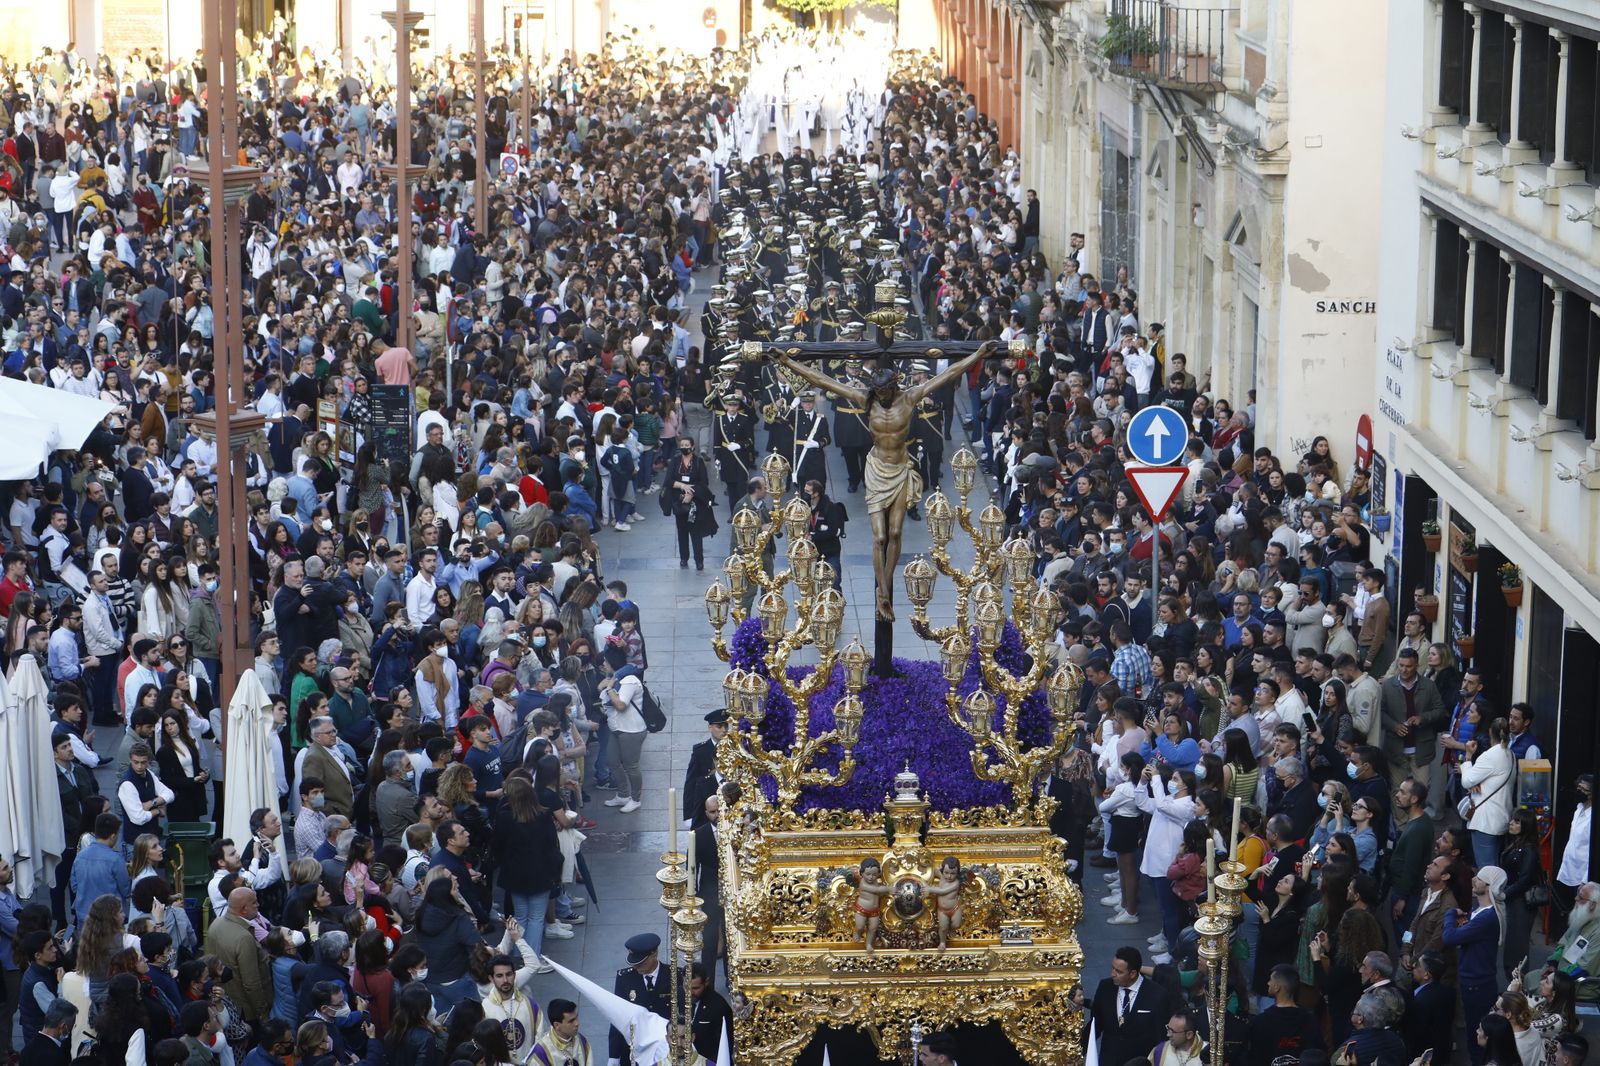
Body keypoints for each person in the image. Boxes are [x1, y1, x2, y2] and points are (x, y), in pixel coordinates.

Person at [1444, 865, 1508, 1066]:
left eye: (1479, 879)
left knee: (1477, 1038)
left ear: (1489, 886)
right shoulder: (1479, 911)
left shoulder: (1487, 917)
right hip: (1475, 980)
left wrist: (1450, 916)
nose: (1473, 880)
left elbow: (1449, 937)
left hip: (1477, 984)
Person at [1078, 946, 1172, 1066]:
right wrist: (1079, 1051)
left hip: (1139, 1062)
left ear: (1133, 973)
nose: (1113, 974)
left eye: (1119, 971)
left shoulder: (1156, 994)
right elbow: (1095, 1024)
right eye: (1113, 968)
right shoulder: (1105, 987)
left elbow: (1161, 1036)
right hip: (1109, 1060)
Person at [204, 887, 273, 1024]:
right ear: (244, 909)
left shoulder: (216, 923)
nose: (258, 905)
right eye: (254, 903)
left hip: (225, 1002)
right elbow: (251, 983)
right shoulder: (244, 938)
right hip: (246, 1011)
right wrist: (263, 1013)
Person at [610, 934, 673, 1066]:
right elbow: (617, 1016)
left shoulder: (673, 976)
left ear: (654, 954)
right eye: (635, 964)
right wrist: (614, 1056)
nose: (637, 968)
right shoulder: (625, 979)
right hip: (634, 1051)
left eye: (642, 963)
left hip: (664, 1050)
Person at [1247, 965, 1321, 1066]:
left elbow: (1255, 1058)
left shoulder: (1260, 1022)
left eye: (1270, 980)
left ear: (1277, 987)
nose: (1268, 983)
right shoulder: (1310, 1020)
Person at [532, 998, 592, 1066]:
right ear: (557, 1025)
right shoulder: (541, 1052)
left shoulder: (582, 1041)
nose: (577, 1023)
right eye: (571, 1021)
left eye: (576, 1018)